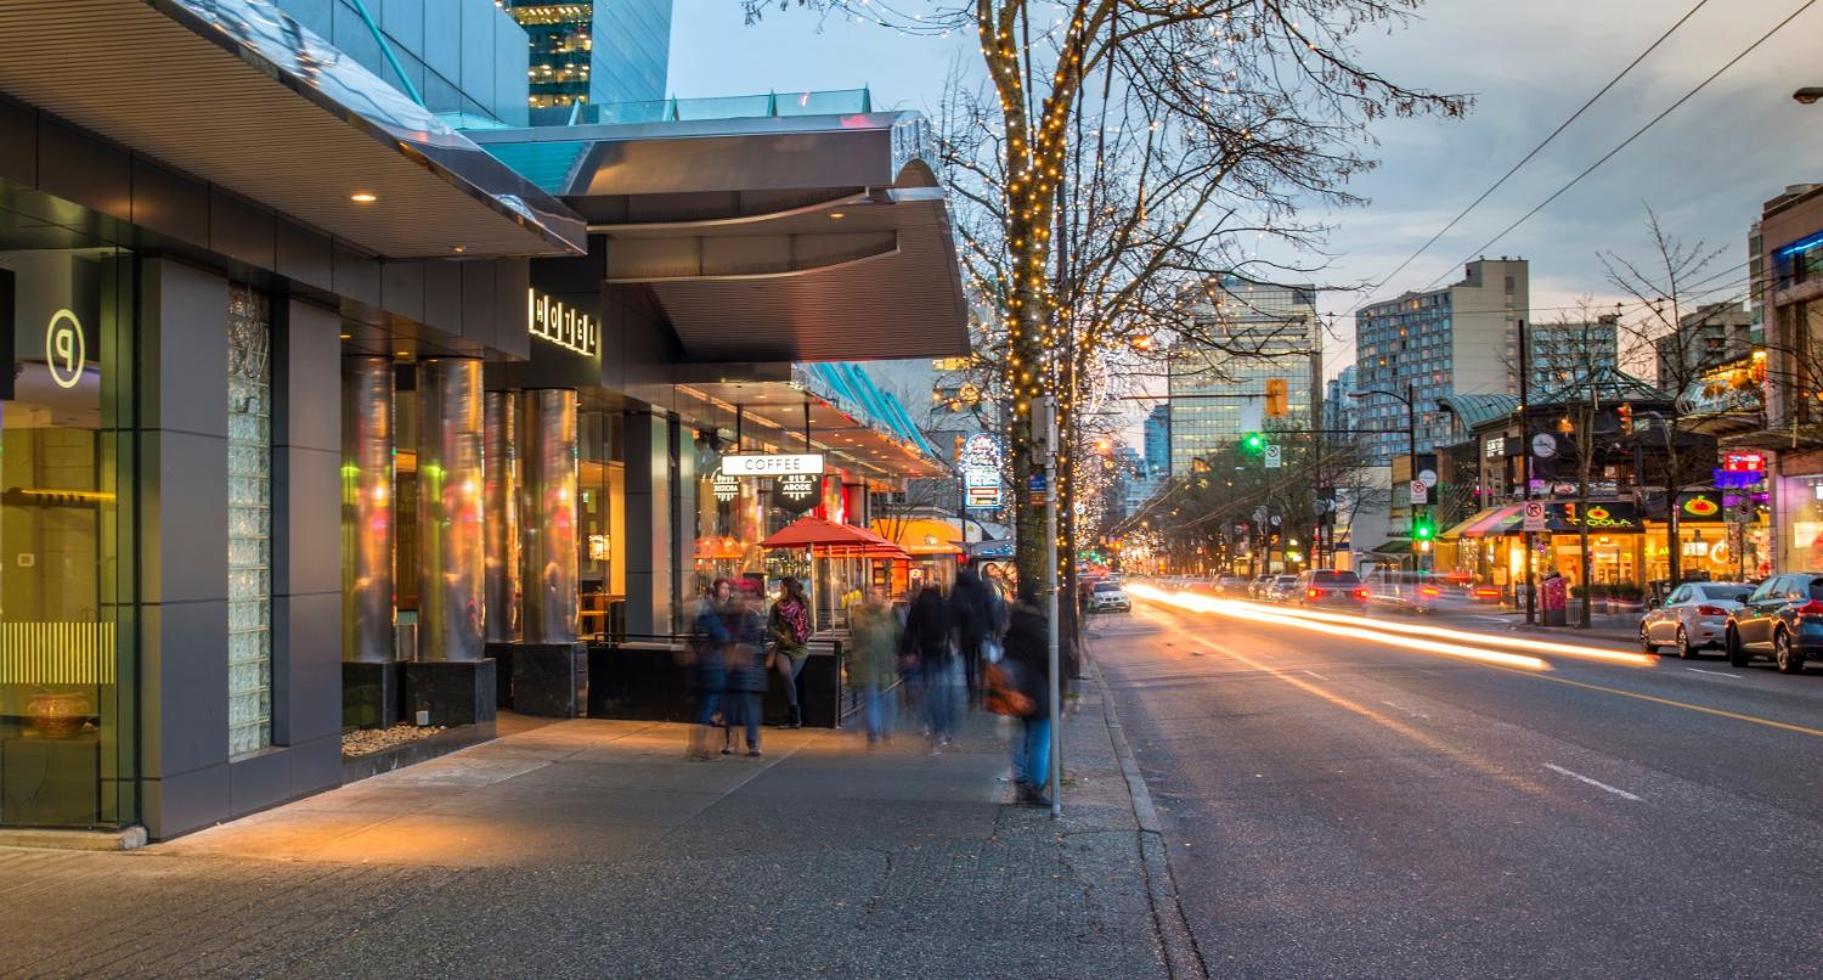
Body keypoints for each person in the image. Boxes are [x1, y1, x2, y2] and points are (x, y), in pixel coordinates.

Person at [1003, 586, 1052, 806]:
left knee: (1021, 739)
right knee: (1040, 740)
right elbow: (1049, 660)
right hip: (1038, 690)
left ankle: (1021, 783)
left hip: (1016, 691)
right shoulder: (1039, 627)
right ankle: (1036, 787)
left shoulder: (1012, 628)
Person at [904, 583, 955, 751]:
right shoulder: (943, 606)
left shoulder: (917, 607)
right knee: (940, 690)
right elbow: (950, 628)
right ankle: (941, 729)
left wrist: (908, 651)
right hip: (941, 653)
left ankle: (926, 723)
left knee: (926, 689)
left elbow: (910, 631)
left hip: (922, 654)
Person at [686, 579, 733, 761]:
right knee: (709, 707)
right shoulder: (710, 617)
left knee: (708, 706)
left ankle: (700, 746)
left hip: (701, 667)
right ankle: (701, 748)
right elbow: (723, 636)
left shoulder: (697, 620)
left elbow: (691, 641)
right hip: (713, 667)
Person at [849, 586, 902, 745]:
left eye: (878, 594)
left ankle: (888, 731)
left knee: (888, 698)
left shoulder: (891, 613)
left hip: (887, 661)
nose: (874, 597)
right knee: (872, 696)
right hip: (868, 662)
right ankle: (874, 731)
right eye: (871, 594)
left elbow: (898, 633)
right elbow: (863, 632)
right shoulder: (860, 613)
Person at [722, 581, 770, 757]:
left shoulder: (752, 618)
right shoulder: (735, 617)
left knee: (747, 706)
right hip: (740, 669)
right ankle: (739, 741)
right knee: (735, 706)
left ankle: (749, 742)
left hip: (749, 669)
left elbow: (751, 642)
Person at [768, 576, 813, 728]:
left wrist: (802, 636)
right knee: (786, 676)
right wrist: (781, 636)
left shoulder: (803, 605)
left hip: (799, 648)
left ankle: (791, 717)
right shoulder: (776, 607)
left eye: (782, 587)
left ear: (789, 588)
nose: (780, 590)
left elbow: (810, 626)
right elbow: (770, 627)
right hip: (783, 648)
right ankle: (794, 716)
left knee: (789, 681)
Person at [949, 566, 993, 705]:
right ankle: (982, 692)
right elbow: (989, 608)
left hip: (965, 632)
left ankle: (971, 692)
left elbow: (953, 613)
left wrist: (954, 635)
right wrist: (993, 627)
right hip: (981, 630)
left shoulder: (957, 589)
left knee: (968, 662)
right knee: (982, 661)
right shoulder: (980, 587)